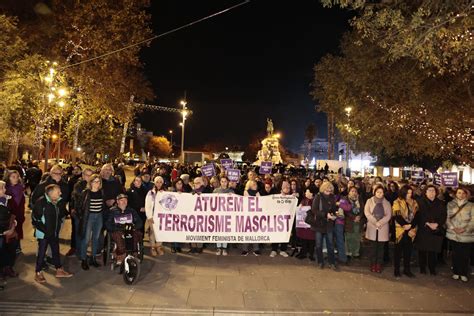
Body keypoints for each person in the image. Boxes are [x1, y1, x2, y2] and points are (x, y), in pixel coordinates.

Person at [32, 184, 72, 283]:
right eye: (58, 192)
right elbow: (35, 219)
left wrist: (67, 213)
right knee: (41, 253)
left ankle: (59, 270)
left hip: (54, 232)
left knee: (55, 250)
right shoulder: (41, 202)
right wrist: (46, 231)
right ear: (51, 193)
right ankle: (38, 272)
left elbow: (61, 213)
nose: (61, 193)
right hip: (44, 234)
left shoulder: (57, 201)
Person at [414, 185, 447, 275]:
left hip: (435, 229)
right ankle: (422, 268)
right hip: (423, 228)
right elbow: (417, 215)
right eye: (429, 190)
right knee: (422, 250)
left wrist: (437, 224)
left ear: (436, 192)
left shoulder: (440, 203)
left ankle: (432, 268)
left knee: (433, 250)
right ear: (425, 192)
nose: (432, 192)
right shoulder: (419, 202)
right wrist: (427, 223)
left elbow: (443, 215)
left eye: (433, 191)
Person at [106, 194, 143, 264]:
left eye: (125, 200)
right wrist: (115, 228)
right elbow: (108, 223)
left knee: (135, 234)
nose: (124, 202)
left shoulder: (131, 211)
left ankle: (133, 254)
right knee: (119, 235)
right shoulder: (112, 211)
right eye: (121, 200)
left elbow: (139, 222)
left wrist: (134, 227)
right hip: (117, 230)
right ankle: (121, 255)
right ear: (117, 202)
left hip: (130, 229)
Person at [446, 187, 474, 282]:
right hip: (454, 233)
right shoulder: (450, 204)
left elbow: (473, 220)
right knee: (455, 254)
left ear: (466, 194)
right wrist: (453, 228)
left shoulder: (471, 205)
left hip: (466, 234)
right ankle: (456, 272)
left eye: (463, 193)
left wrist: (465, 229)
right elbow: (447, 218)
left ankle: (463, 273)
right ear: (456, 194)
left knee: (465, 255)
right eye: (459, 193)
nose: (461, 195)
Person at [77, 174, 104, 270]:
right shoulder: (86, 192)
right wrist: (81, 216)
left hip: (99, 216)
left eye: (98, 182)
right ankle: (84, 259)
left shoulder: (101, 192)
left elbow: (103, 205)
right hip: (89, 217)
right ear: (91, 182)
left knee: (95, 238)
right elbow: (80, 205)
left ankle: (93, 258)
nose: (97, 184)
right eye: (95, 181)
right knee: (86, 239)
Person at [364, 184, 392, 273]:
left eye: (381, 192)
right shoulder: (369, 201)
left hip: (382, 227)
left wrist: (380, 222)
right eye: (378, 192)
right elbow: (367, 212)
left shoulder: (387, 203)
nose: (380, 194)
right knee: (373, 247)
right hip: (372, 226)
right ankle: (372, 264)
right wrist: (375, 221)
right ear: (374, 192)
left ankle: (378, 264)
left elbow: (388, 215)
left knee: (380, 248)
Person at [392, 185, 418, 278]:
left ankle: (407, 270)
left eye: (411, 193)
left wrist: (411, 226)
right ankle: (396, 270)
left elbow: (417, 215)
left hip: (411, 229)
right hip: (400, 230)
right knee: (398, 251)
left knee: (408, 251)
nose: (409, 195)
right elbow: (396, 215)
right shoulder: (397, 202)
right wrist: (405, 225)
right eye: (407, 193)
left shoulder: (414, 202)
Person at [311, 181, 338, 270]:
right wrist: (325, 215)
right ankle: (320, 261)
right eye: (327, 189)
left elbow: (334, 209)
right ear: (323, 188)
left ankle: (332, 262)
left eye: (330, 189)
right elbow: (314, 210)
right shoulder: (318, 197)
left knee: (330, 244)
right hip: (319, 224)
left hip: (329, 224)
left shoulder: (332, 197)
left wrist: (335, 214)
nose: (329, 190)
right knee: (318, 244)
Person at [69, 168, 93, 257]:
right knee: (79, 234)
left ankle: (83, 252)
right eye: (87, 175)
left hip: (89, 214)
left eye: (91, 175)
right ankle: (80, 253)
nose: (89, 177)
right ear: (83, 176)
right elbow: (77, 199)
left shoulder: (94, 185)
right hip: (79, 214)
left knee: (87, 235)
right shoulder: (79, 185)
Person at [0, 181, 19, 280]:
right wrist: (3, 232)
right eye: (2, 188)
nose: (5, 190)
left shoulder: (7, 200)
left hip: (9, 231)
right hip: (2, 233)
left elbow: (12, 213)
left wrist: (13, 224)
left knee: (10, 251)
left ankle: (8, 268)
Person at [4, 170, 25, 254]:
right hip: (9, 215)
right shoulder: (5, 189)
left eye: (17, 177)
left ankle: (17, 246)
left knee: (18, 230)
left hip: (19, 214)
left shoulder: (20, 188)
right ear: (8, 178)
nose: (16, 179)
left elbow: (22, 203)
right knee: (9, 231)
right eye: (13, 177)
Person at [145, 176, 166, 256]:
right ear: (154, 183)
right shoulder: (151, 192)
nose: (159, 184)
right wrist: (149, 216)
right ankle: (153, 247)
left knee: (161, 231)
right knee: (153, 232)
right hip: (153, 216)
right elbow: (148, 205)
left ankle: (159, 246)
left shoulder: (166, 192)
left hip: (163, 216)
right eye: (157, 182)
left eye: (160, 182)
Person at [213, 176, 234, 256]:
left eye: (225, 181)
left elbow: (235, 202)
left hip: (227, 214)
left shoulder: (231, 191)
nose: (224, 183)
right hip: (218, 214)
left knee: (225, 231)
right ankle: (218, 248)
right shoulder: (215, 191)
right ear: (220, 182)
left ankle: (224, 248)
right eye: (222, 181)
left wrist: (231, 196)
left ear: (227, 182)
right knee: (218, 231)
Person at [343, 186, 364, 260]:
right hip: (349, 221)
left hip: (358, 221)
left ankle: (356, 253)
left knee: (356, 237)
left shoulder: (360, 199)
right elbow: (345, 210)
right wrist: (353, 217)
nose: (354, 193)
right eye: (352, 191)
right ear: (349, 192)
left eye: (355, 191)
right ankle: (348, 252)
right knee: (349, 237)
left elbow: (362, 209)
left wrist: (359, 216)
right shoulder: (345, 199)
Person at [241, 180, 261, 256]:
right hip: (247, 215)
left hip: (255, 215)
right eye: (253, 184)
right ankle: (245, 249)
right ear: (249, 185)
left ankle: (256, 249)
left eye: (255, 184)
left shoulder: (257, 192)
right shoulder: (246, 192)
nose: (255, 185)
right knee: (246, 232)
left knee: (256, 232)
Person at [296, 187, 316, 261]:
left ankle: (311, 254)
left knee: (311, 240)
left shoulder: (315, 201)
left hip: (311, 223)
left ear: (311, 193)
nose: (306, 193)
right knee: (303, 239)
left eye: (307, 192)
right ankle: (303, 253)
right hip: (303, 224)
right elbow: (299, 208)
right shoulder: (304, 200)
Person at [190, 177, 205, 253]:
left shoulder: (206, 190)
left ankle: (199, 247)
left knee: (200, 231)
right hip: (193, 215)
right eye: (195, 183)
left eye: (198, 182)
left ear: (202, 183)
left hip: (202, 215)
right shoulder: (192, 192)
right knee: (192, 230)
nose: (196, 184)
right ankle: (193, 247)